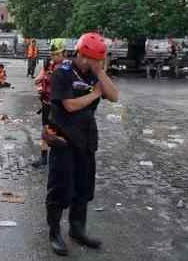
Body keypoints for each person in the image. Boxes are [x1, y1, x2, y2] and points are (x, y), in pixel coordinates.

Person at [44, 33, 119, 256]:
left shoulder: (95, 74)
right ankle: (55, 232)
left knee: (83, 188)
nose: (99, 64)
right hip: (63, 139)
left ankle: (77, 229)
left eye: (101, 61)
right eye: (97, 60)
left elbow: (114, 96)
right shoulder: (62, 73)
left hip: (86, 140)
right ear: (83, 55)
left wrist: (101, 73)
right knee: (61, 189)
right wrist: (94, 93)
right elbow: (69, 105)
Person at [32, 38, 66, 168]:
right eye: (53, 54)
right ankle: (43, 158)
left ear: (64, 53)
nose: (54, 57)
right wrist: (41, 79)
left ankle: (60, 158)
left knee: (60, 132)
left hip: (60, 106)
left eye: (57, 54)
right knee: (45, 130)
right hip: (46, 103)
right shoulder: (48, 64)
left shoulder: (67, 68)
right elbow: (38, 79)